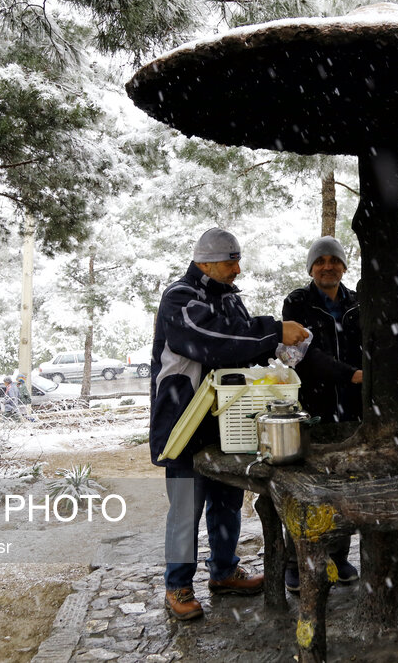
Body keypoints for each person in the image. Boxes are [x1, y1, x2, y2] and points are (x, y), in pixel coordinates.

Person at [150, 227, 309, 621]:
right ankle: (178, 586)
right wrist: (273, 329)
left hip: (225, 420)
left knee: (227, 502)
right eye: (229, 261)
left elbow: (239, 351)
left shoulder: (232, 302)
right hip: (185, 419)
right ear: (204, 262)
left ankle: (223, 572)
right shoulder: (180, 299)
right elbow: (212, 340)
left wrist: (276, 357)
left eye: (238, 259)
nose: (238, 268)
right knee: (186, 507)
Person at [281, 236, 362, 591]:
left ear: (344, 266)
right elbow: (303, 354)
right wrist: (351, 374)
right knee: (305, 486)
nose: (327, 266)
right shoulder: (297, 302)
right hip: (312, 406)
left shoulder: (358, 304)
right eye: (320, 261)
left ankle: (337, 557)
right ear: (310, 268)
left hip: (352, 408)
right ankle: (296, 563)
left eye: (334, 260)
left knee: (344, 485)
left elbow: (369, 347)